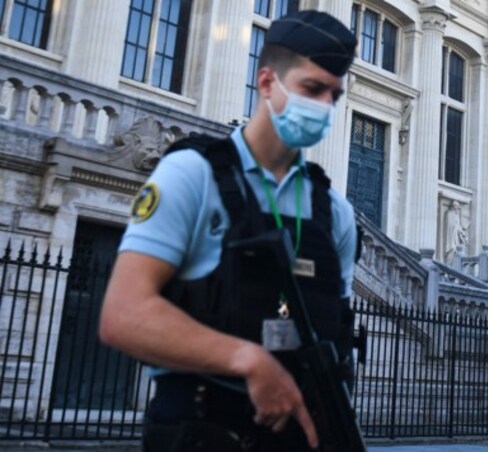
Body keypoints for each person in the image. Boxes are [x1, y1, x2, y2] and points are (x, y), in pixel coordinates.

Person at [99, 11, 358, 451]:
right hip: (203, 431)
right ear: (266, 82)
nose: (324, 107)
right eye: (312, 89)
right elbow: (122, 316)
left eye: (334, 95)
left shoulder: (335, 212)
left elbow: (336, 332)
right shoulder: (190, 176)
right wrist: (247, 360)